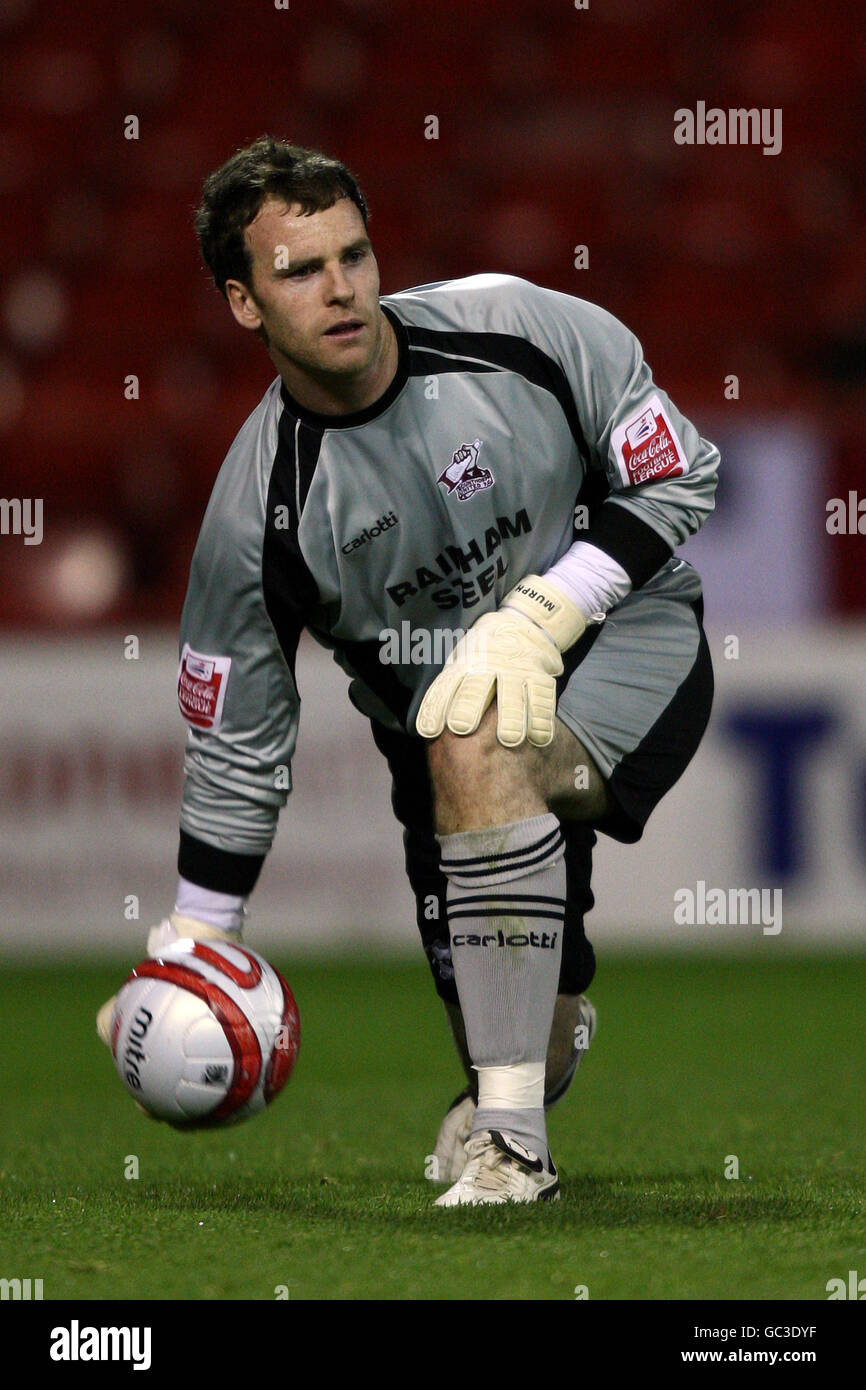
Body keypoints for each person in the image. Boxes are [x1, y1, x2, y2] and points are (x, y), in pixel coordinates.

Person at [98, 136, 718, 1205]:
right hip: (432, 745)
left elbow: (679, 474)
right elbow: (241, 736)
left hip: (623, 641)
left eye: (353, 254)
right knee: (538, 1032)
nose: (340, 289)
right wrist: (199, 931)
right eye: (298, 270)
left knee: (471, 736)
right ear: (243, 303)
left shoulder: (521, 328)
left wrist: (538, 611)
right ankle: (514, 1075)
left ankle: (512, 1151)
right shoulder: (255, 516)